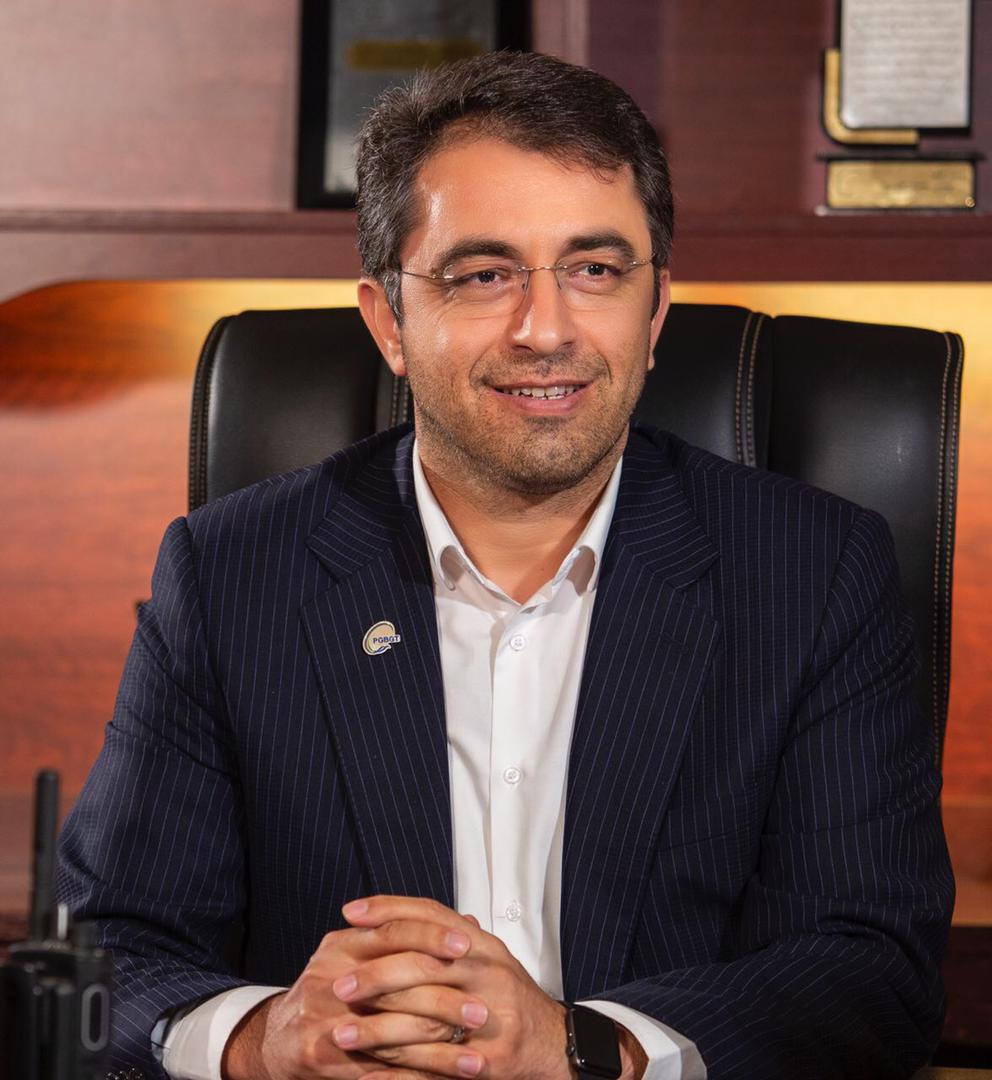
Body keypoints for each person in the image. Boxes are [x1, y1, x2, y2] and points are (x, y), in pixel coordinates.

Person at [57, 51, 953, 1080]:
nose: (546, 329)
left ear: (654, 314)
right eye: (484, 275)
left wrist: (588, 1048)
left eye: (595, 270)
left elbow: (870, 972)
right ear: (389, 322)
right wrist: (265, 1041)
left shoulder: (813, 574)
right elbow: (104, 953)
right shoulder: (230, 576)